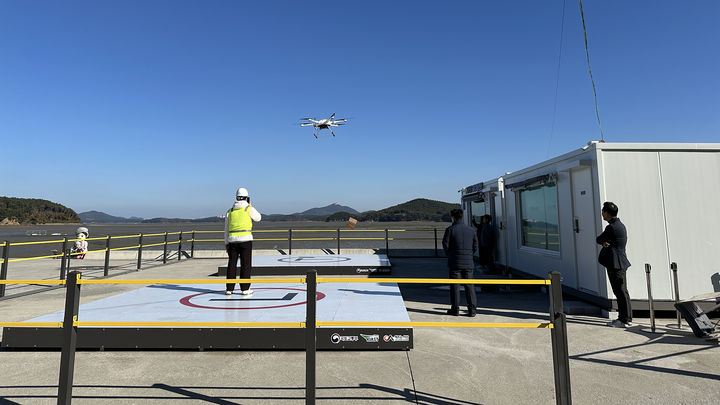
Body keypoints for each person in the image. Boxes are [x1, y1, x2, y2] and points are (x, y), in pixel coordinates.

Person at [596, 201, 632, 328]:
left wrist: (604, 241)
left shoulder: (611, 227)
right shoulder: (620, 225)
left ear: (607, 213)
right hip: (620, 262)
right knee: (623, 291)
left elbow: (598, 239)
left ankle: (623, 319)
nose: (602, 214)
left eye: (603, 212)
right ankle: (627, 318)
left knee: (619, 291)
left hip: (615, 264)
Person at [224, 187, 261, 296]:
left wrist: (226, 242)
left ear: (236, 197)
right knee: (246, 265)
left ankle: (229, 288)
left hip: (232, 241)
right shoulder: (248, 209)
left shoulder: (229, 211)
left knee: (231, 264)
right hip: (245, 240)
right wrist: (250, 205)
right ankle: (245, 289)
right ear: (247, 198)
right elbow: (258, 218)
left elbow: (226, 229)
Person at [442, 208, 479, 317]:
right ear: (462, 217)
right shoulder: (471, 230)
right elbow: (475, 245)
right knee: (470, 286)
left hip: (455, 263)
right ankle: (472, 310)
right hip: (468, 263)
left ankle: (455, 309)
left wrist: (450, 255)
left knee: (455, 286)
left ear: (452, 218)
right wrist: (469, 255)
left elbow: (445, 244)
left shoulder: (450, 230)